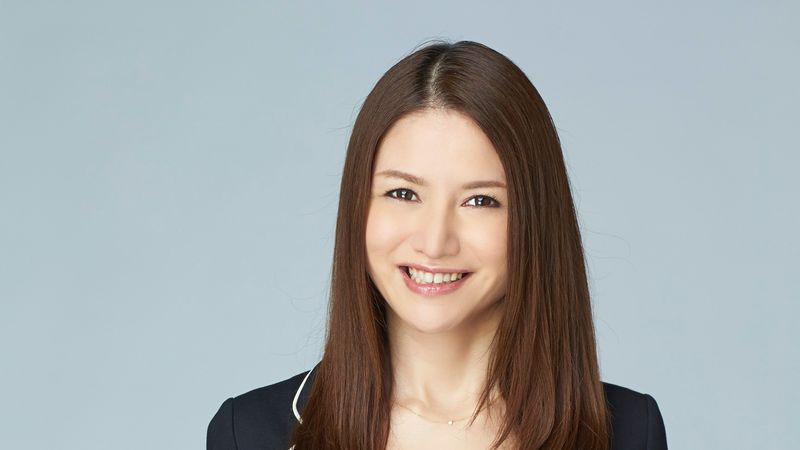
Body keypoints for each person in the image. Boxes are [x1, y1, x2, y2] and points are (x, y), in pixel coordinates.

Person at [207, 40, 668, 450]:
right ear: (357, 206)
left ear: (535, 220)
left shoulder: (629, 432)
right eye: (403, 193)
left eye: (480, 200)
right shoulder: (248, 433)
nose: (434, 242)